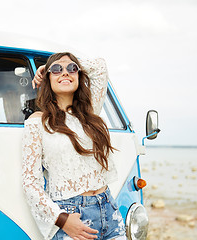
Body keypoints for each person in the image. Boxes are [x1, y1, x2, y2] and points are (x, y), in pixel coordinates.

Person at [22, 52, 126, 240]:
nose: (65, 73)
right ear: (47, 81)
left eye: (71, 69)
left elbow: (99, 66)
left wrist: (48, 67)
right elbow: (31, 183)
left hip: (108, 209)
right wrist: (62, 220)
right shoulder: (37, 123)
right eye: (57, 70)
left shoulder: (89, 113)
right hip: (71, 215)